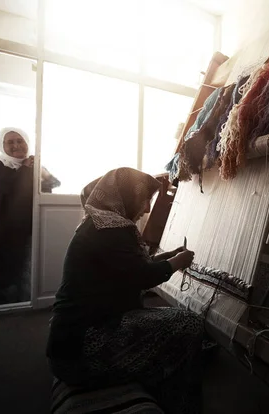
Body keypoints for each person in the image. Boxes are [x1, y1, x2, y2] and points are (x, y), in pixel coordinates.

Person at [47, 167, 203, 414]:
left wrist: (169, 257)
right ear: (125, 197)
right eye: (144, 200)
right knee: (187, 323)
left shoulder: (97, 224)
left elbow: (128, 267)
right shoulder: (113, 229)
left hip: (68, 342)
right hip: (83, 352)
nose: (146, 208)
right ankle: (178, 403)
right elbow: (141, 276)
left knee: (168, 324)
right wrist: (177, 263)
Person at [0, 127, 60, 306]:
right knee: (1, 278)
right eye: (10, 142)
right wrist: (25, 168)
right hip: (0, 232)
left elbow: (54, 183)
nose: (16, 146)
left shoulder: (32, 165)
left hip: (27, 230)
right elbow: (7, 185)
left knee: (24, 274)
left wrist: (38, 168)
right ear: (2, 145)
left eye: (20, 141)